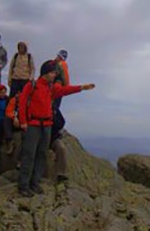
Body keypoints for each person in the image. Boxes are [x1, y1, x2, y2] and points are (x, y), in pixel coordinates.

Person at [17, 60, 95, 197]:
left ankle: (34, 183)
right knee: (29, 155)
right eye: (53, 72)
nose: (54, 75)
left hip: (47, 126)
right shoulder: (32, 85)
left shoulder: (51, 88)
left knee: (41, 155)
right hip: (34, 125)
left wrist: (82, 87)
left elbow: (64, 90)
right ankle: (24, 186)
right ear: (46, 73)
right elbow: (22, 104)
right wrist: (23, 122)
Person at [50, 49, 70, 182]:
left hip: (51, 135)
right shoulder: (56, 64)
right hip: (42, 132)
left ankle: (61, 174)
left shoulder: (58, 64)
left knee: (61, 148)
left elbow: (61, 121)